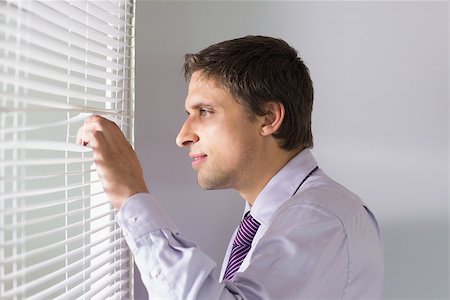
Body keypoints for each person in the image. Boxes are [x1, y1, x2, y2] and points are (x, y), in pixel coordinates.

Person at [77, 35, 384, 299]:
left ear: (268, 118)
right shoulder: (269, 216)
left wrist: (132, 196)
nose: (183, 136)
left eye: (205, 111)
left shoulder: (319, 216)